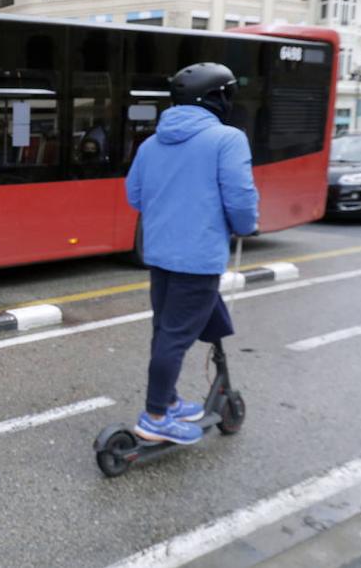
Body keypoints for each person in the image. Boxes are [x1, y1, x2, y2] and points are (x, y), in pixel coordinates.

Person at [124, 63, 259, 445]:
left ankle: (166, 401)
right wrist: (245, 226)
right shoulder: (227, 139)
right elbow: (241, 197)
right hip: (198, 257)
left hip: (160, 253)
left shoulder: (151, 143)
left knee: (164, 331)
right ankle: (154, 418)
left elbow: (133, 196)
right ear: (217, 98)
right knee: (176, 338)